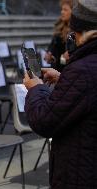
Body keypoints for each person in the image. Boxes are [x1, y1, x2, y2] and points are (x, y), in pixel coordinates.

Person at [23, 0, 97, 188]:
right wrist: (64, 78)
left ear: (81, 33)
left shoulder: (82, 71)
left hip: (80, 171)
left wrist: (35, 88)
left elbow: (44, 120)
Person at [44, 0, 73, 72]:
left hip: (66, 71)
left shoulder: (76, 32)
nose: (62, 12)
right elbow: (52, 47)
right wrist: (50, 54)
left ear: (73, 12)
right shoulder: (59, 28)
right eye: (62, 9)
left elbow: (65, 59)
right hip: (56, 69)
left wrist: (62, 59)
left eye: (65, 10)